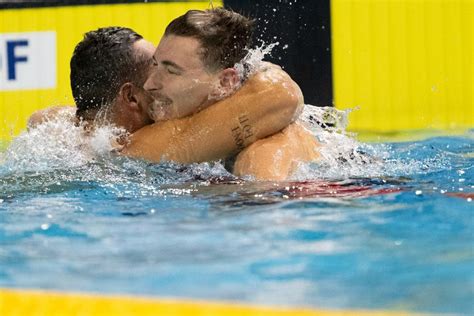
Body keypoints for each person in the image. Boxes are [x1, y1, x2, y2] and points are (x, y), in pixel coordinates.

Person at [28, 25, 302, 167]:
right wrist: (246, 69)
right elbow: (282, 96)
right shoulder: (147, 145)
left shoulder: (62, 128)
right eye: (156, 71)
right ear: (132, 98)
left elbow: (41, 117)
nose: (162, 82)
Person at [124, 8, 320, 180]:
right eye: (156, 64)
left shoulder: (262, 156)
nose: (149, 85)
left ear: (225, 82)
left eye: (172, 71)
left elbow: (282, 95)